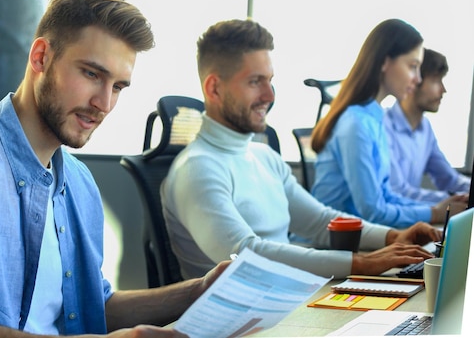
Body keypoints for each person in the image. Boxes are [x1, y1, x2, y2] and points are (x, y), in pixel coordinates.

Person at [0, 0, 229, 338]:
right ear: (41, 57)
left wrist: (197, 292)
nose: (104, 103)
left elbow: (93, 305)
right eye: (92, 74)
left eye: (118, 86)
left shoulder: (78, 181)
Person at [160, 18, 440, 281]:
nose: (270, 96)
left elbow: (320, 221)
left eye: (270, 80)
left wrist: (392, 237)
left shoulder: (265, 157)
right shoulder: (197, 168)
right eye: (255, 81)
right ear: (214, 89)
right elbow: (246, 253)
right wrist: (362, 263)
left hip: (288, 302)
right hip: (238, 327)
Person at [310, 19, 468, 228]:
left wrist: (440, 208)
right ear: (385, 62)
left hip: (357, 237)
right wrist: (435, 213)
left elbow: (387, 195)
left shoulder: (374, 119)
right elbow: (373, 210)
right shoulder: (356, 124)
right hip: (329, 243)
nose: (417, 78)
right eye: (412, 67)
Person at [384, 48, 470, 203]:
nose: (443, 90)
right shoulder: (384, 125)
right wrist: (455, 199)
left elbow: (449, 179)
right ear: (414, 81)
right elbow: (397, 191)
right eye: (436, 81)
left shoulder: (425, 129)